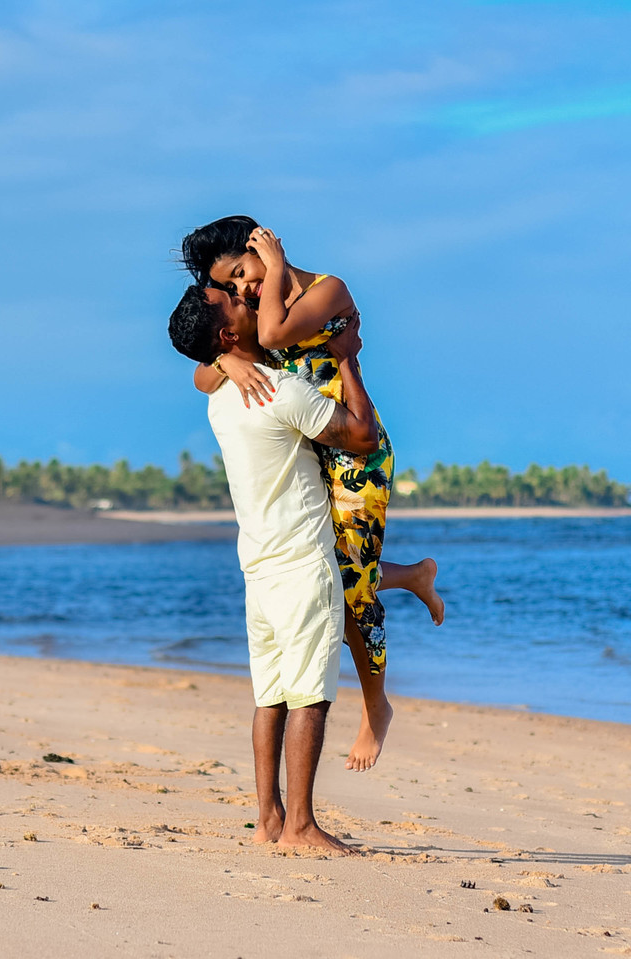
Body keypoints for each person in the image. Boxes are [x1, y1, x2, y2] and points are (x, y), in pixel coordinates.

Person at [181, 215, 441, 773]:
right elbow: (201, 374)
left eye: (243, 274)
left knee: (352, 590)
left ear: (263, 246)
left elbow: (274, 337)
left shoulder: (328, 290)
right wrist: (225, 357)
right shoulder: (260, 302)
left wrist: (273, 270)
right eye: (233, 289)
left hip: (355, 451)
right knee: (343, 571)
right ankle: (417, 576)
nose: (245, 291)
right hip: (313, 440)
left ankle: (376, 710)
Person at [167, 284, 376, 853]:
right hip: (302, 562)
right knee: (310, 696)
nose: (250, 300)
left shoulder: (220, 396)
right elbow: (362, 436)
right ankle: (301, 827)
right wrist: (348, 359)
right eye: (236, 303)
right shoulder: (281, 391)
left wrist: (224, 360)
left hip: (258, 567)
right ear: (230, 335)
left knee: (271, 696)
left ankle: (268, 820)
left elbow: (204, 370)